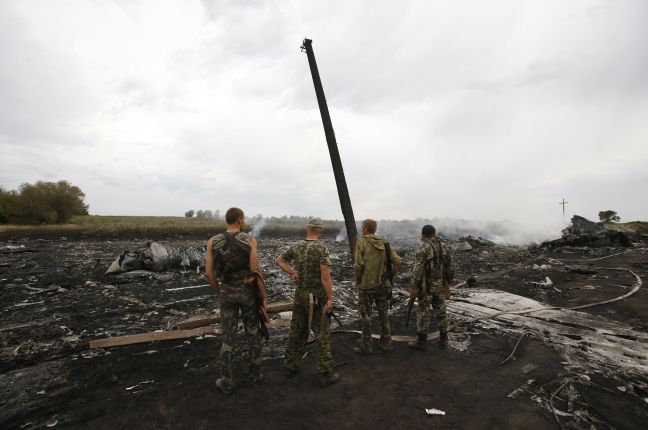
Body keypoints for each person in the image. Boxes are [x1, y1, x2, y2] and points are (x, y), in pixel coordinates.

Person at [205, 207, 267, 394]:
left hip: (227, 293)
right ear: (239, 220)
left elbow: (208, 273)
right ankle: (256, 377)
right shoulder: (249, 241)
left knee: (228, 336)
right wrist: (263, 297)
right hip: (247, 294)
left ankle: (227, 380)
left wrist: (220, 290)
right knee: (253, 332)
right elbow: (256, 272)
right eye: (244, 218)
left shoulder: (213, 242)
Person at [276, 218, 341, 387]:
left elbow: (280, 260)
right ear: (320, 230)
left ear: (308, 228)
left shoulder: (297, 246)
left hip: (301, 297)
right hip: (317, 299)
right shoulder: (321, 248)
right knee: (322, 333)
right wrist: (330, 299)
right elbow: (325, 277)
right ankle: (326, 372)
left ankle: (290, 367)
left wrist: (293, 273)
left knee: (297, 331)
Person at [353, 219, 401, 354]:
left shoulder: (361, 242)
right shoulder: (384, 242)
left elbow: (358, 266)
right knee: (383, 314)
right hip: (382, 285)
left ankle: (366, 347)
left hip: (366, 287)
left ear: (366, 229)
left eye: (362, 227)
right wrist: (389, 276)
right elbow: (397, 261)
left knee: (366, 317)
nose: (362, 229)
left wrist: (358, 281)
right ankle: (387, 344)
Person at [408, 224, 454, 350]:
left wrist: (414, 287)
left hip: (426, 287)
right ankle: (444, 340)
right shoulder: (443, 247)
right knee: (441, 311)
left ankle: (422, 342)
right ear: (435, 232)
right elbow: (450, 267)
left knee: (423, 312)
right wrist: (448, 282)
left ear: (423, 235)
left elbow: (417, 270)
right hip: (439, 286)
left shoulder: (423, 248)